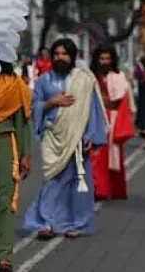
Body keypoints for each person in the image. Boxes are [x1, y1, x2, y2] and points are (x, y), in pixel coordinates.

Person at [22, 38, 108, 240]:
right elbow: (35, 106)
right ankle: (47, 223)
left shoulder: (84, 80)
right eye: (57, 54)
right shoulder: (45, 80)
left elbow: (92, 109)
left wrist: (90, 135)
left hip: (78, 138)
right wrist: (52, 102)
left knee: (77, 183)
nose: (60, 57)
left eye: (64, 54)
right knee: (52, 182)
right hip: (53, 138)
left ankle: (76, 223)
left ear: (72, 57)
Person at [0, 61, 32, 272]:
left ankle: (3, 255)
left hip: (3, 143)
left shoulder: (14, 84)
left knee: (3, 200)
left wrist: (25, 154)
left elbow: (22, 122)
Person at [89, 45, 135, 201]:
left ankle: (113, 189)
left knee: (112, 155)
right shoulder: (90, 76)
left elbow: (119, 100)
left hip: (112, 118)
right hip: (94, 117)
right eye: (102, 58)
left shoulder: (118, 76)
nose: (105, 61)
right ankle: (98, 188)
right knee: (96, 155)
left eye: (108, 58)